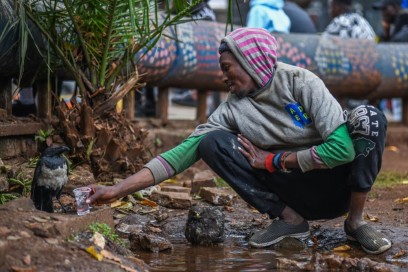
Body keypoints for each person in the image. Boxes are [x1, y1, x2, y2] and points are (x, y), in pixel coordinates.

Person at [86, 28, 391, 255]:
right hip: (293, 191)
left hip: (336, 187)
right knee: (211, 142)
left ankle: (356, 222)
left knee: (369, 117)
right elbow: (179, 156)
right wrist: (117, 190)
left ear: (251, 61)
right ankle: (290, 219)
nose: (223, 77)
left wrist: (273, 160)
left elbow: (342, 149)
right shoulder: (232, 108)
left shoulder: (302, 83)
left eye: (227, 68)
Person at [323, 0, 376, 111]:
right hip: (372, 77)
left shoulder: (339, 22)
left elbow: (322, 46)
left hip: (351, 80)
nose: (329, 11)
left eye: (331, 7)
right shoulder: (362, 20)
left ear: (337, 7)